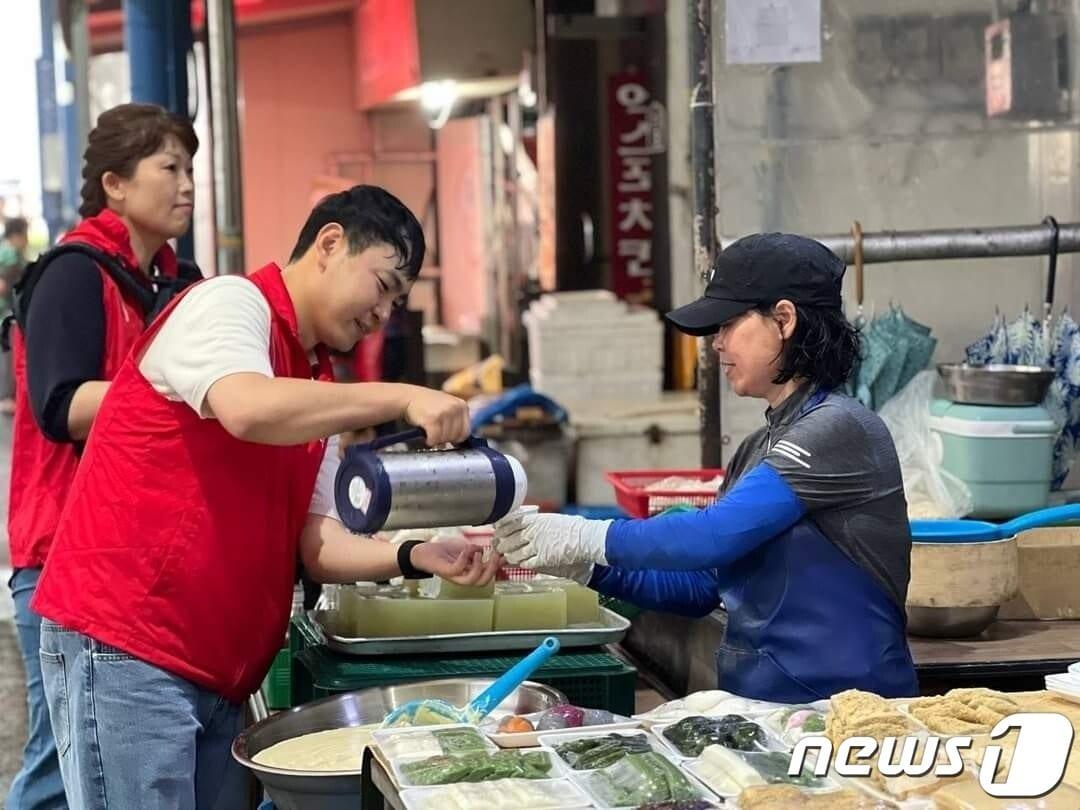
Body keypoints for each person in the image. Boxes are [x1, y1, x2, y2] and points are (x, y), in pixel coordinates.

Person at [31, 184, 499, 810]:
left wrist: (415, 555)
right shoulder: (230, 304)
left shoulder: (314, 380)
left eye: (397, 300)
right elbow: (247, 408)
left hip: (220, 671)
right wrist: (401, 396)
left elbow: (317, 539)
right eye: (383, 285)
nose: (383, 313)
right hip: (132, 652)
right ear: (330, 243)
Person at [495, 233, 918, 704]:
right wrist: (587, 569)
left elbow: (712, 536)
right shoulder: (759, 446)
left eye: (728, 324)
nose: (716, 343)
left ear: (783, 319)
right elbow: (702, 585)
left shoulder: (841, 428)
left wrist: (586, 535)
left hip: (847, 713)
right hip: (763, 711)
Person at [6, 103, 203, 810]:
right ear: (116, 185)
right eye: (169, 168)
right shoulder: (72, 273)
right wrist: (178, 386)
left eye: (191, 169)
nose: (187, 186)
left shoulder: (175, 284)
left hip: (130, 560)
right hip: (63, 560)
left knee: (77, 760)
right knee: (58, 764)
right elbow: (61, 407)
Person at [0, 216, 30, 414]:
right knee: (7, 356)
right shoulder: (10, 254)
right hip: (6, 314)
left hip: (7, 313)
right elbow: (5, 284)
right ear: (17, 235)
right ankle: (6, 397)